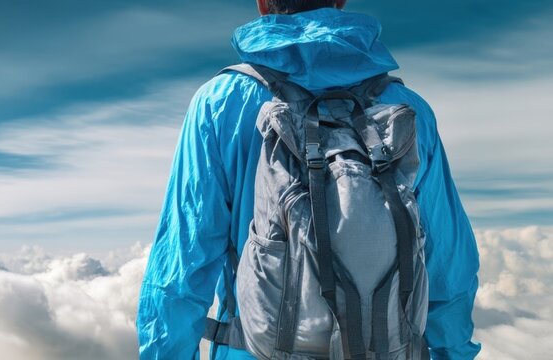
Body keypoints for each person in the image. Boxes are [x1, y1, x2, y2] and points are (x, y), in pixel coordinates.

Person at [135, 0, 482, 359]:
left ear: (262, 3)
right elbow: (449, 263)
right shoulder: (408, 109)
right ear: (341, 0)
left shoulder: (221, 102)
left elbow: (182, 265)